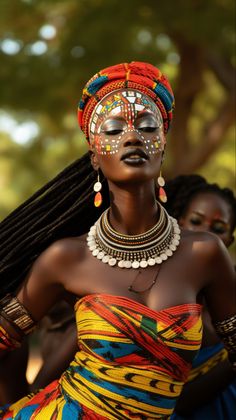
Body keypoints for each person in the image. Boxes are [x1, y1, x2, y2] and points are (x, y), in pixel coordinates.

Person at [0, 62, 235, 419]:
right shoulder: (67, 258)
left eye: (146, 126)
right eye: (113, 129)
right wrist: (13, 395)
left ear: (162, 149)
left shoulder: (203, 253)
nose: (132, 137)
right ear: (95, 157)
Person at [163, 174, 236, 419]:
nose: (206, 234)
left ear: (230, 240)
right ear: (180, 224)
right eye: (196, 221)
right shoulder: (157, 292)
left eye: (218, 229)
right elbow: (177, 401)